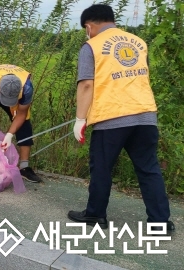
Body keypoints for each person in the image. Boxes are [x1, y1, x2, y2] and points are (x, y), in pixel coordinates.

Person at [68, 4, 174, 232]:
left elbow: (87, 84)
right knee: (148, 168)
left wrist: (80, 119)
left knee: (102, 168)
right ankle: (160, 222)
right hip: (145, 115)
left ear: (89, 26)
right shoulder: (138, 43)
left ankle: (96, 215)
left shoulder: (91, 46)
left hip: (111, 117)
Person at [0, 64, 43, 183]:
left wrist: (9, 135)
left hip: (16, 100)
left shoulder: (27, 87)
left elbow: (21, 114)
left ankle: (24, 168)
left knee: (25, 125)